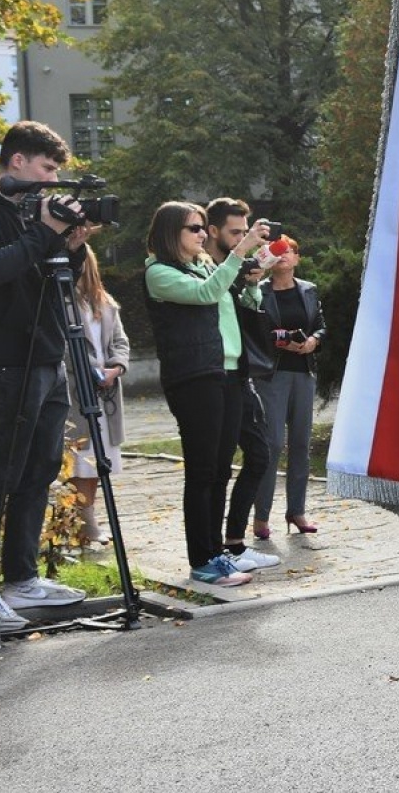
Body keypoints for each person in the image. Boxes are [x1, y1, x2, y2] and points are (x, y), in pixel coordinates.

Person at [0, 121, 90, 631]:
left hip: (46, 357)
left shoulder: (27, 213)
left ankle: (20, 579)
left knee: (38, 471)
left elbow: (48, 277)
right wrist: (43, 234)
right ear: (17, 162)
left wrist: (71, 247)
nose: (53, 180)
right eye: (47, 169)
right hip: (6, 359)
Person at [143, 200, 272, 586]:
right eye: (194, 228)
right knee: (201, 471)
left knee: (219, 470)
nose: (202, 234)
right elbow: (204, 295)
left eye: (202, 227)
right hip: (194, 376)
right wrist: (237, 254)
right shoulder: (159, 272)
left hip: (227, 371)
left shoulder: (205, 264)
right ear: (171, 233)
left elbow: (229, 303)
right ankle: (201, 559)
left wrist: (251, 284)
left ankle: (217, 553)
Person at [202, 197, 284, 568]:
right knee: (215, 467)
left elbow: (250, 315)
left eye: (245, 231)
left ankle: (233, 542)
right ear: (213, 231)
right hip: (214, 375)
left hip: (241, 372)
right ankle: (216, 549)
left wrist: (254, 283)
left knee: (260, 454)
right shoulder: (204, 268)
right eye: (236, 232)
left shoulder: (233, 267)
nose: (242, 239)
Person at [256, 235, 324, 537]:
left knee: (300, 444)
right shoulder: (258, 292)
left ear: (297, 258)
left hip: (303, 374)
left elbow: (321, 324)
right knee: (271, 444)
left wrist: (313, 341)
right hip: (272, 375)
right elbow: (254, 330)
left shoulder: (309, 290)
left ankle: (297, 512)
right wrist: (280, 340)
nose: (283, 256)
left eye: (289, 251)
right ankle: (261, 516)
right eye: (277, 251)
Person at [64, 243, 129, 546]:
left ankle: (86, 521)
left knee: (98, 458)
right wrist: (93, 369)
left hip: (106, 392)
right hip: (77, 391)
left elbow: (120, 341)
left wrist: (116, 367)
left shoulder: (105, 302)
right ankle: (87, 523)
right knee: (81, 458)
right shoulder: (61, 301)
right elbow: (66, 344)